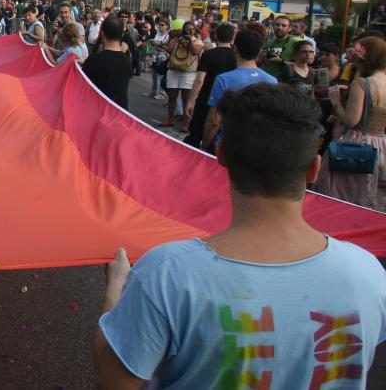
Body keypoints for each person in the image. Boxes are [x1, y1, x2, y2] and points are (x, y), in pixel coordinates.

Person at [94, 83, 386, 389]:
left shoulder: (168, 275)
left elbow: (114, 381)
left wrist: (117, 288)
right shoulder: (367, 273)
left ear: (221, 155)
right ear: (313, 169)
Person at [319, 36, 386, 211]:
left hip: (357, 143)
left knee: (344, 195)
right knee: (372, 197)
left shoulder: (362, 83)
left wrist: (336, 101)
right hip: (381, 143)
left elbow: (351, 120)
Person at [201, 29, 277, 151]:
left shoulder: (223, 79)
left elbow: (214, 119)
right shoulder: (272, 81)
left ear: (235, 49)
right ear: (259, 52)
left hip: (227, 143)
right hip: (257, 144)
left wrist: (205, 143)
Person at [184, 22, 237, 148]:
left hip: (206, 98)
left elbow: (199, 80)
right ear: (232, 37)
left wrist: (191, 100)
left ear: (216, 36)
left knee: (196, 133)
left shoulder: (209, 54)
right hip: (227, 99)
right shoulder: (236, 57)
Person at [82, 16, 132, 110]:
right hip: (120, 112)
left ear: (102, 34)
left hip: (98, 110)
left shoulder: (94, 60)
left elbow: (83, 86)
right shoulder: (127, 60)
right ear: (121, 35)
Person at [162, 21, 203, 133]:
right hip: (174, 70)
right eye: (186, 29)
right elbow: (169, 49)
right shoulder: (178, 39)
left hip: (188, 72)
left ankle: (186, 124)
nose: (189, 31)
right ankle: (170, 120)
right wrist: (176, 38)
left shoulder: (198, 41)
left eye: (191, 29)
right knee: (171, 97)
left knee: (186, 99)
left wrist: (190, 40)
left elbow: (195, 51)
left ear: (194, 30)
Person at [260, 15, 301, 80]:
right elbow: (258, 63)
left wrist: (281, 61)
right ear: (273, 26)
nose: (280, 28)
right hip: (267, 81)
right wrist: (262, 57)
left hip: (285, 82)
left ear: (289, 28)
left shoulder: (295, 41)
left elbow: (302, 65)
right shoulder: (268, 43)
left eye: (284, 25)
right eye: (277, 25)